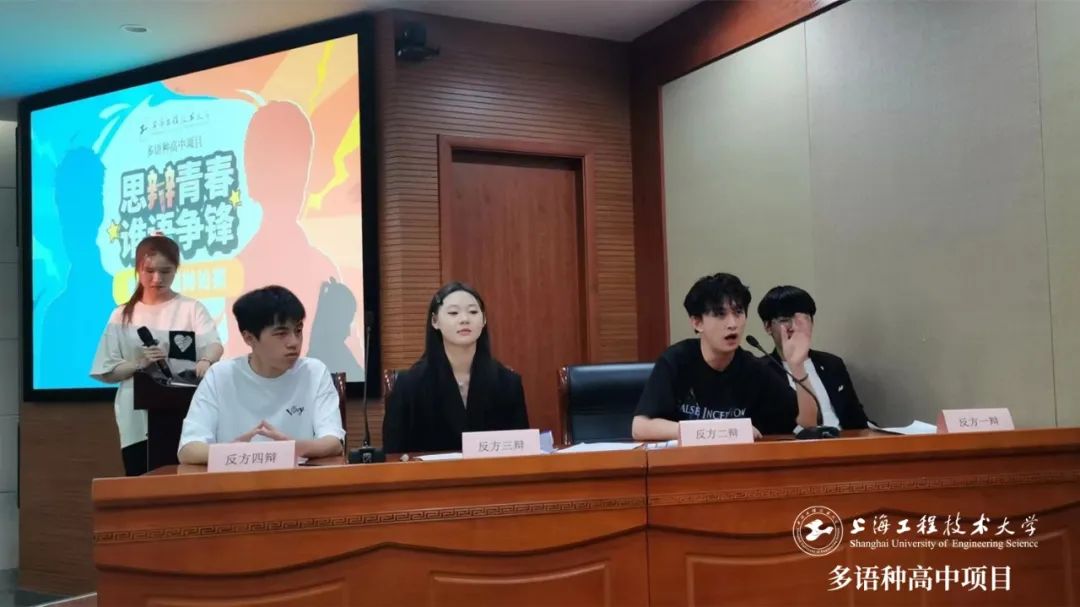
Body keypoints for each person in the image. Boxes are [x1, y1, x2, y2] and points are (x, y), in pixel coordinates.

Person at [90, 234, 224, 476]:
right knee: (141, 476)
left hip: (185, 409)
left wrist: (206, 360)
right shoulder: (121, 316)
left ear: (176, 270)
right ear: (138, 270)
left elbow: (214, 344)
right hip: (138, 416)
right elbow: (107, 370)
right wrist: (140, 363)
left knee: (186, 478)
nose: (157, 278)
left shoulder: (190, 308)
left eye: (165, 271)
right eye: (149, 271)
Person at [632, 273, 819, 441]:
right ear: (697, 322)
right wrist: (724, 430)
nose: (732, 324)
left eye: (738, 313)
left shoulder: (753, 369)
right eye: (720, 314)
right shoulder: (677, 360)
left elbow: (808, 423)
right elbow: (640, 427)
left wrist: (797, 366)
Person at [177, 285, 345, 465]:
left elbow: (333, 441)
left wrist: (291, 448)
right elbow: (189, 449)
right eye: (281, 333)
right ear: (249, 338)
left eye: (298, 330)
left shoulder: (314, 372)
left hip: (298, 478)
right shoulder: (220, 376)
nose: (294, 342)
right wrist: (237, 453)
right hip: (235, 481)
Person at [382, 281, 529, 453]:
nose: (464, 319)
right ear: (435, 321)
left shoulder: (508, 383)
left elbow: (522, 450)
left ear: (483, 320)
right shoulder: (409, 386)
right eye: (453, 313)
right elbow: (392, 454)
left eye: (473, 312)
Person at [757, 285, 871, 430]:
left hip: (841, 440)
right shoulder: (760, 371)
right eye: (785, 320)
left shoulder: (832, 364)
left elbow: (857, 419)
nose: (794, 327)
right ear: (768, 326)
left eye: (803, 319)